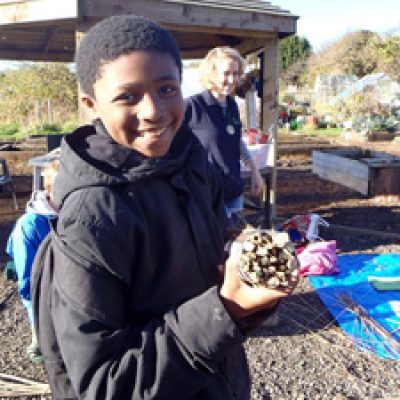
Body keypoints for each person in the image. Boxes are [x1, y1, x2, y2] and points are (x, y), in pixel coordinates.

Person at [32, 15, 298, 399]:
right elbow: (106, 384)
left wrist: (247, 256)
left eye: (167, 89)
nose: (153, 110)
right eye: (127, 96)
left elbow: (213, 230)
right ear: (92, 104)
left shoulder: (189, 161)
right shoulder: (93, 216)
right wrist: (227, 309)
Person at [184, 46, 263, 222]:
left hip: (233, 190)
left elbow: (236, 142)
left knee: (234, 242)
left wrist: (254, 169)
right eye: (226, 73)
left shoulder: (232, 106)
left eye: (235, 73)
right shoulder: (192, 106)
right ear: (211, 74)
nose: (231, 79)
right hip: (205, 194)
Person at [6, 160, 59, 363]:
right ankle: (37, 348)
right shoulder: (29, 227)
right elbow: (29, 284)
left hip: (65, 291)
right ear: (53, 190)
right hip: (42, 296)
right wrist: (42, 315)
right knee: (46, 346)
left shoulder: (70, 213)